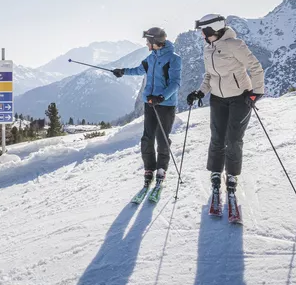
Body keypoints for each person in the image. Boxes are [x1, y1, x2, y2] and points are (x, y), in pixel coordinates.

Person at [186, 14, 264, 195]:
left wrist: (256, 92)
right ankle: (215, 171)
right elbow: (209, 75)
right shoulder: (208, 48)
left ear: (212, 29)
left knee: (234, 139)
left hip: (240, 98)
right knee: (217, 137)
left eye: (203, 32)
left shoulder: (235, 45)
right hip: (217, 99)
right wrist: (200, 92)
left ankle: (232, 175)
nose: (201, 36)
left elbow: (255, 67)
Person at [112, 27, 182, 188]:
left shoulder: (173, 59)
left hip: (165, 105)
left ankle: (161, 169)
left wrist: (161, 97)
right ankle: (149, 168)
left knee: (162, 138)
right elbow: (138, 70)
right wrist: (122, 71)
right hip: (150, 103)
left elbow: (175, 83)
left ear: (155, 42)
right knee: (147, 138)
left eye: (148, 41)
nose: (146, 44)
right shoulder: (151, 58)